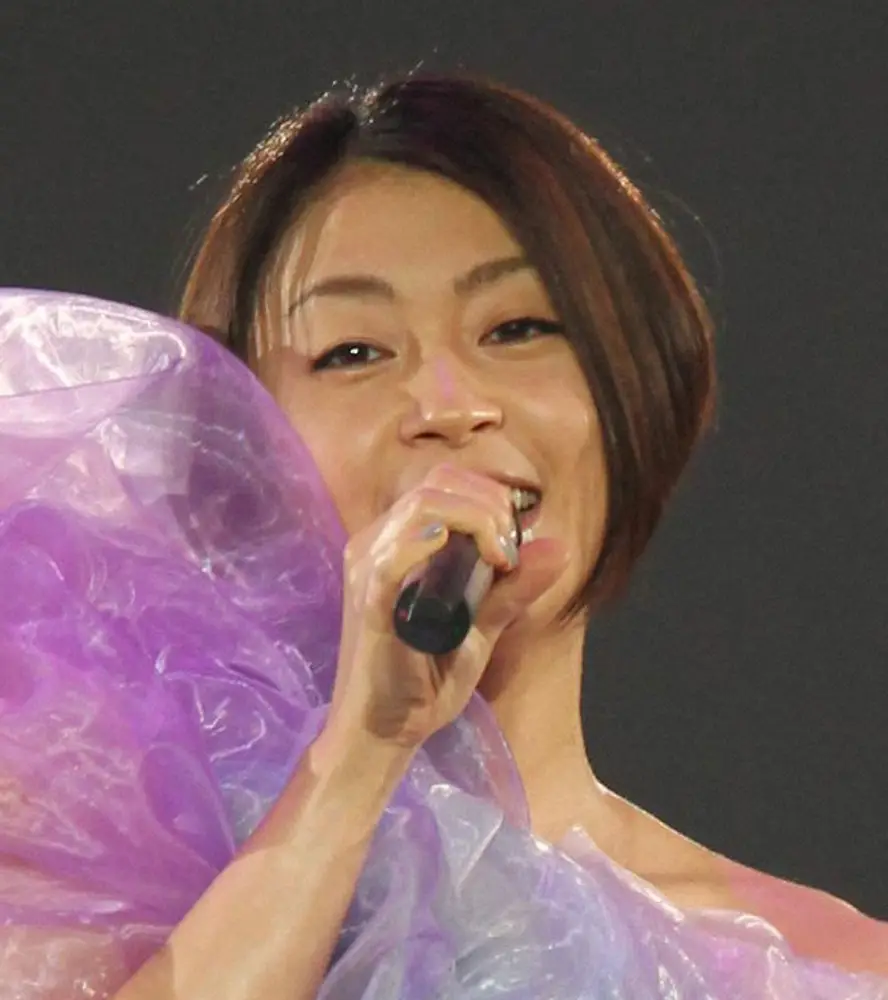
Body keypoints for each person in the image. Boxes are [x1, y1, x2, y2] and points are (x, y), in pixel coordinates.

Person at [1, 73, 884, 999]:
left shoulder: (820, 969)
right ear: (235, 446)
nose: (448, 405)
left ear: (634, 384)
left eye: (519, 328)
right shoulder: (95, 830)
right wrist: (364, 750)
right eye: (352, 352)